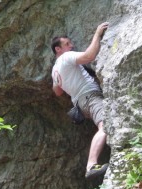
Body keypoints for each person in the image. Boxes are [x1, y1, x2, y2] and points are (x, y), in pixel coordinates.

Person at [51, 22, 109, 179]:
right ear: (58, 49)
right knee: (105, 126)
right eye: (67, 44)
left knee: (107, 123)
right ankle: (91, 165)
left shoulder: (55, 70)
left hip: (81, 104)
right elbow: (89, 56)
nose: (72, 46)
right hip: (89, 96)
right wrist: (97, 33)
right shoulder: (66, 57)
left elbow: (57, 91)